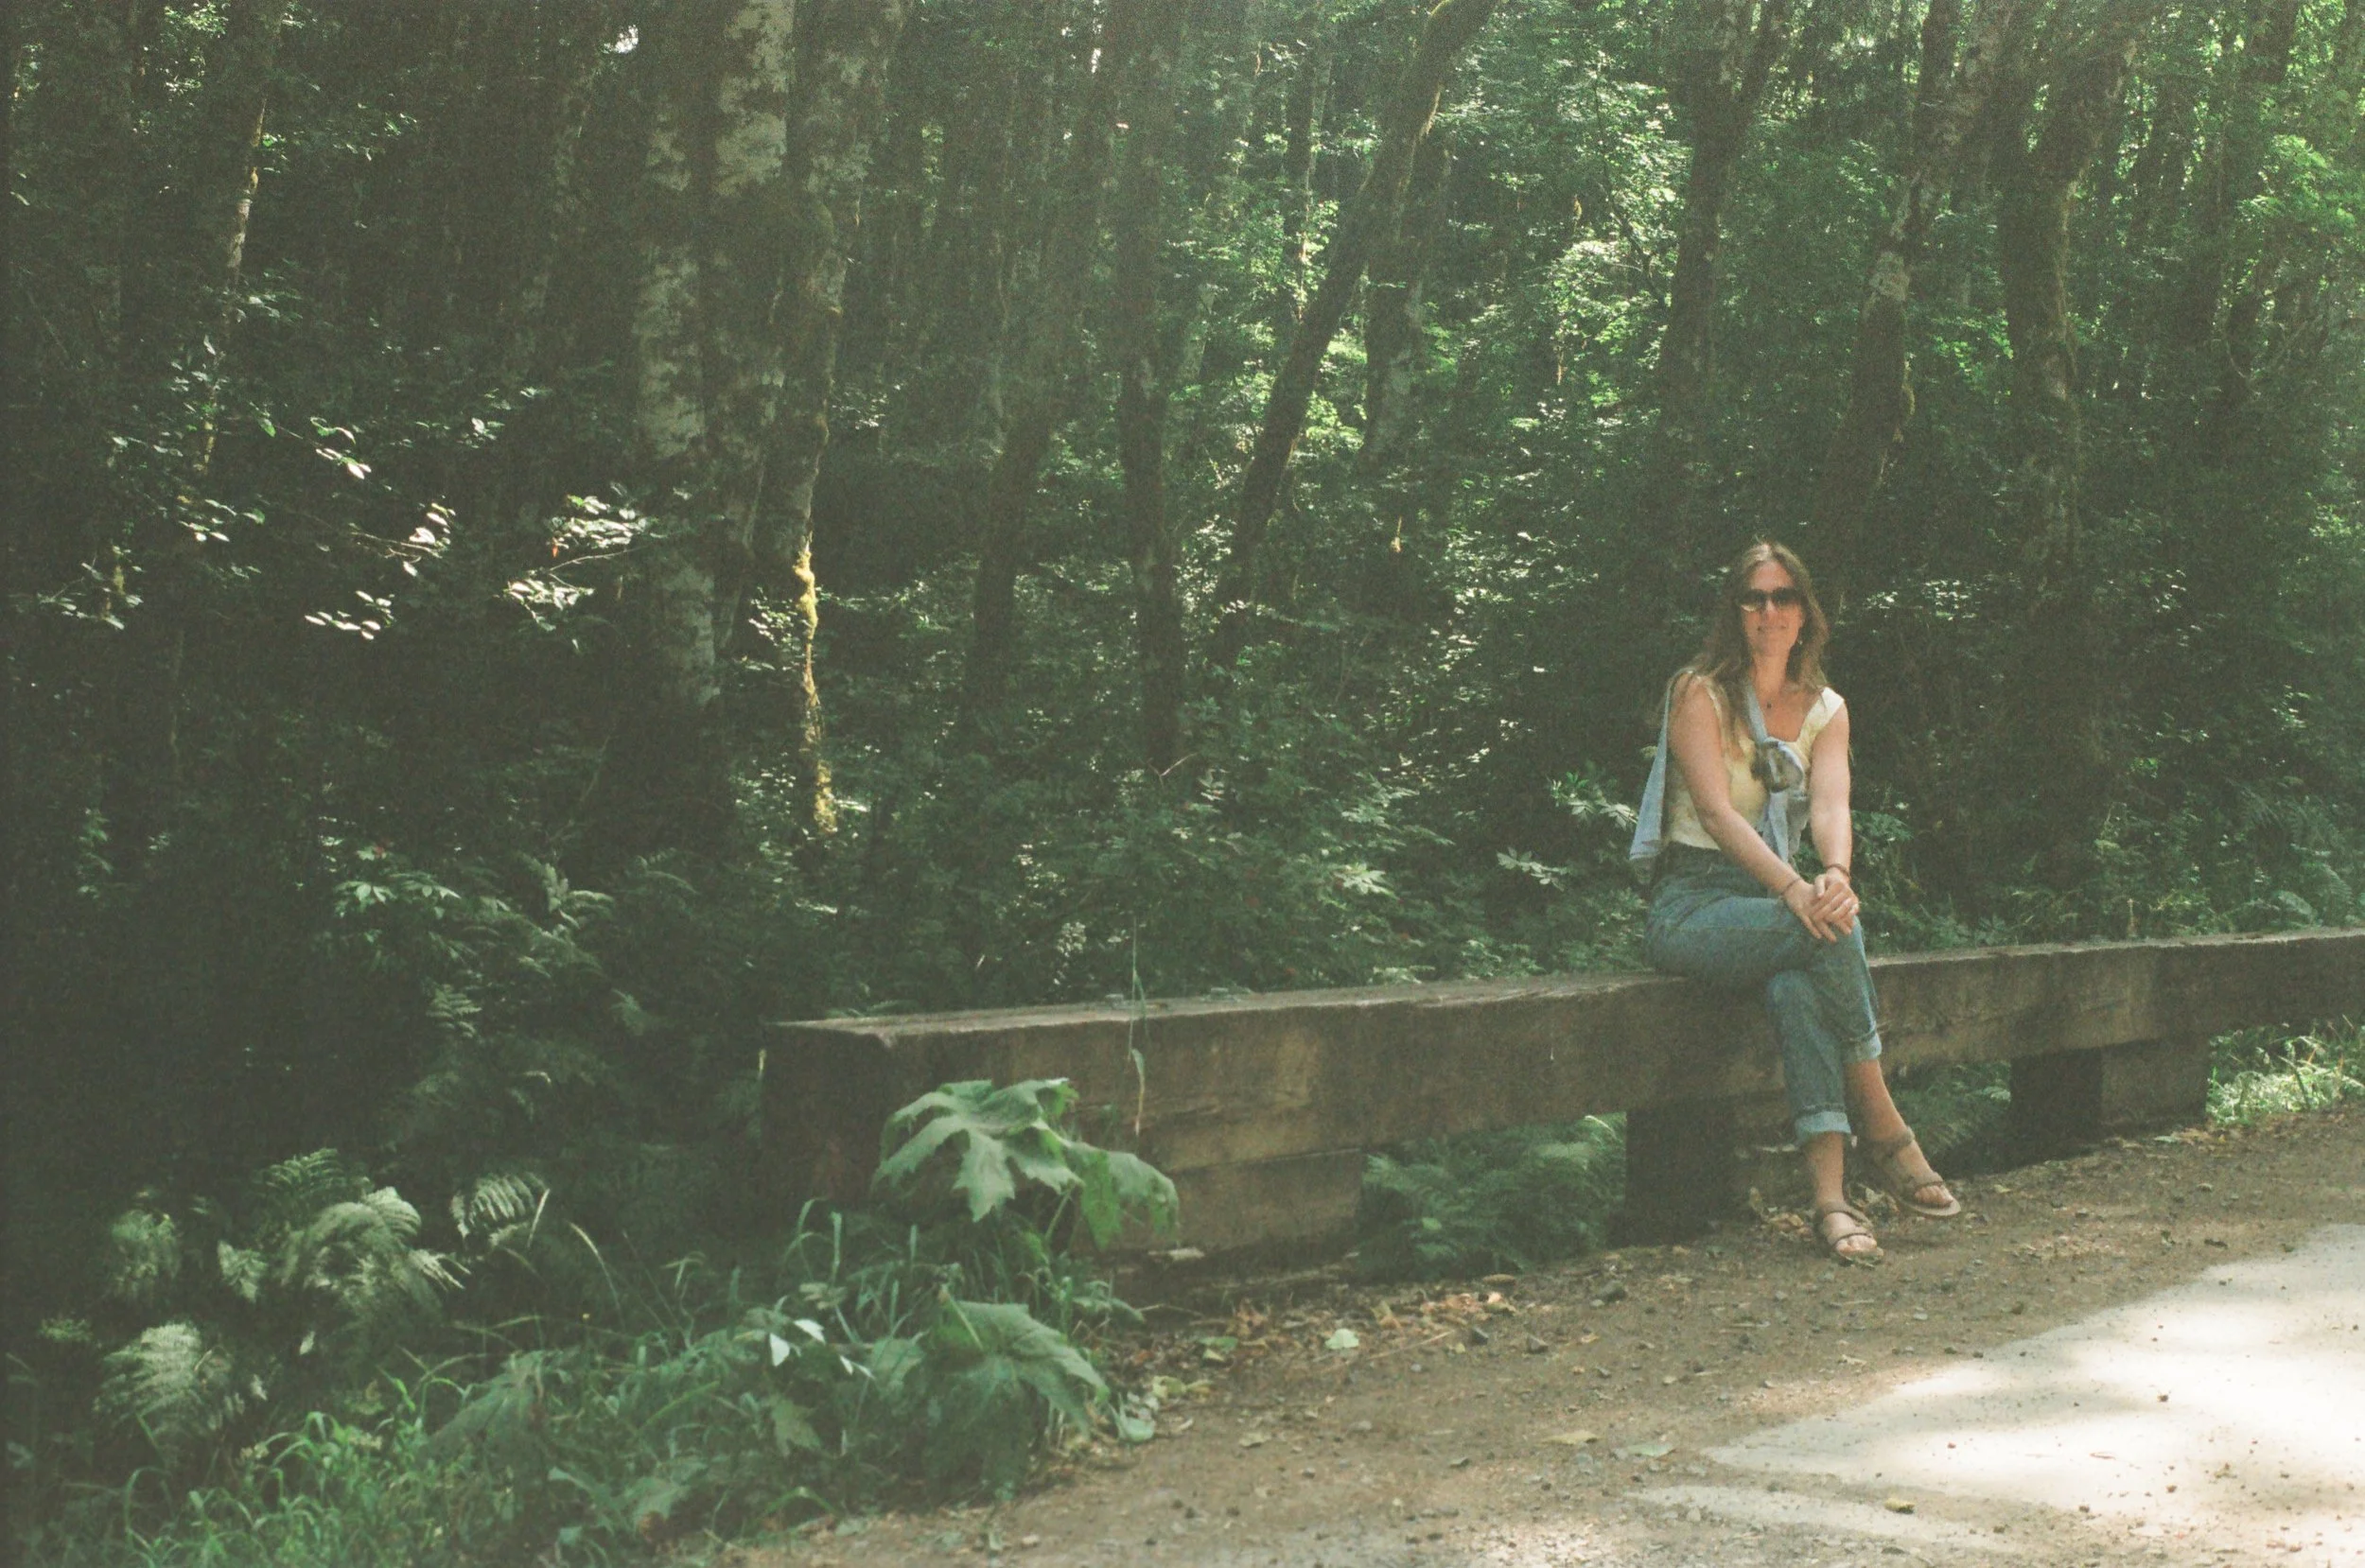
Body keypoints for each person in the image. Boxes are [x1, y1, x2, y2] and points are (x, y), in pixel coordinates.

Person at [1632, 541, 1957, 1263]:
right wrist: (1796, 889)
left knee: (1800, 978)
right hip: (1694, 905)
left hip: (1772, 904)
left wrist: (1834, 873)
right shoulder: (1699, 693)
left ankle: (1831, 1201)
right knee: (1827, 930)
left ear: (1806, 612)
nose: (1769, 612)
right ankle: (1882, 1118)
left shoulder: (1825, 709)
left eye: (1784, 597)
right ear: (1735, 611)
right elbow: (1717, 815)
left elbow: (1832, 805)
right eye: (1755, 598)